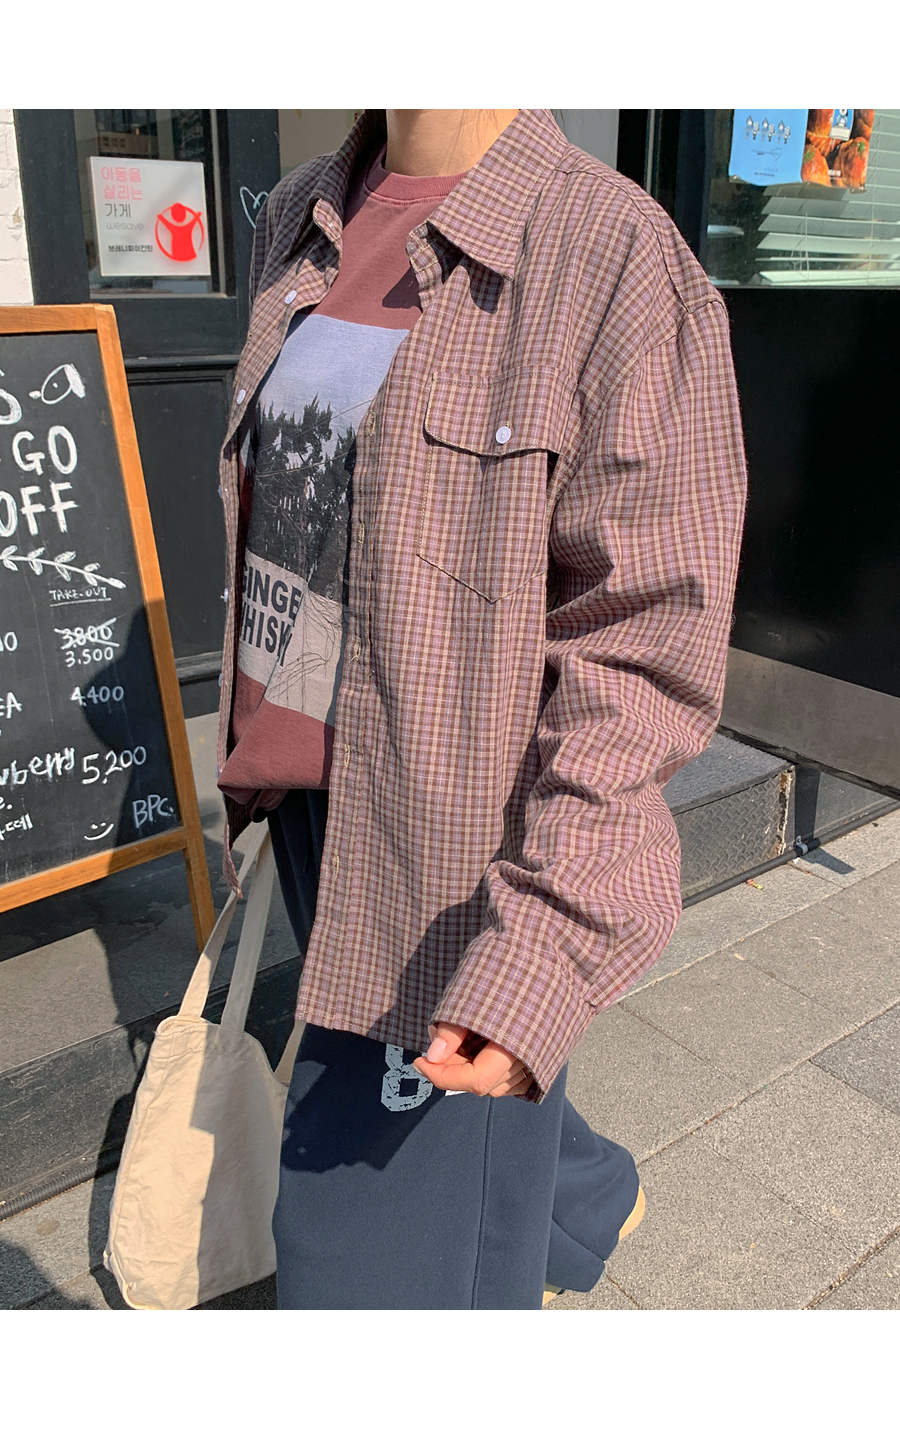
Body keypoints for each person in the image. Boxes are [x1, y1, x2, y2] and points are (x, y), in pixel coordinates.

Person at [215, 108, 747, 1310]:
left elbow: (645, 648)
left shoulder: (613, 253)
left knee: (355, 1265)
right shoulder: (300, 211)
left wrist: (544, 949)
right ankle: (582, 1194)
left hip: (456, 854)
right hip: (307, 799)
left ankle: (540, 1199)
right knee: (466, 1164)